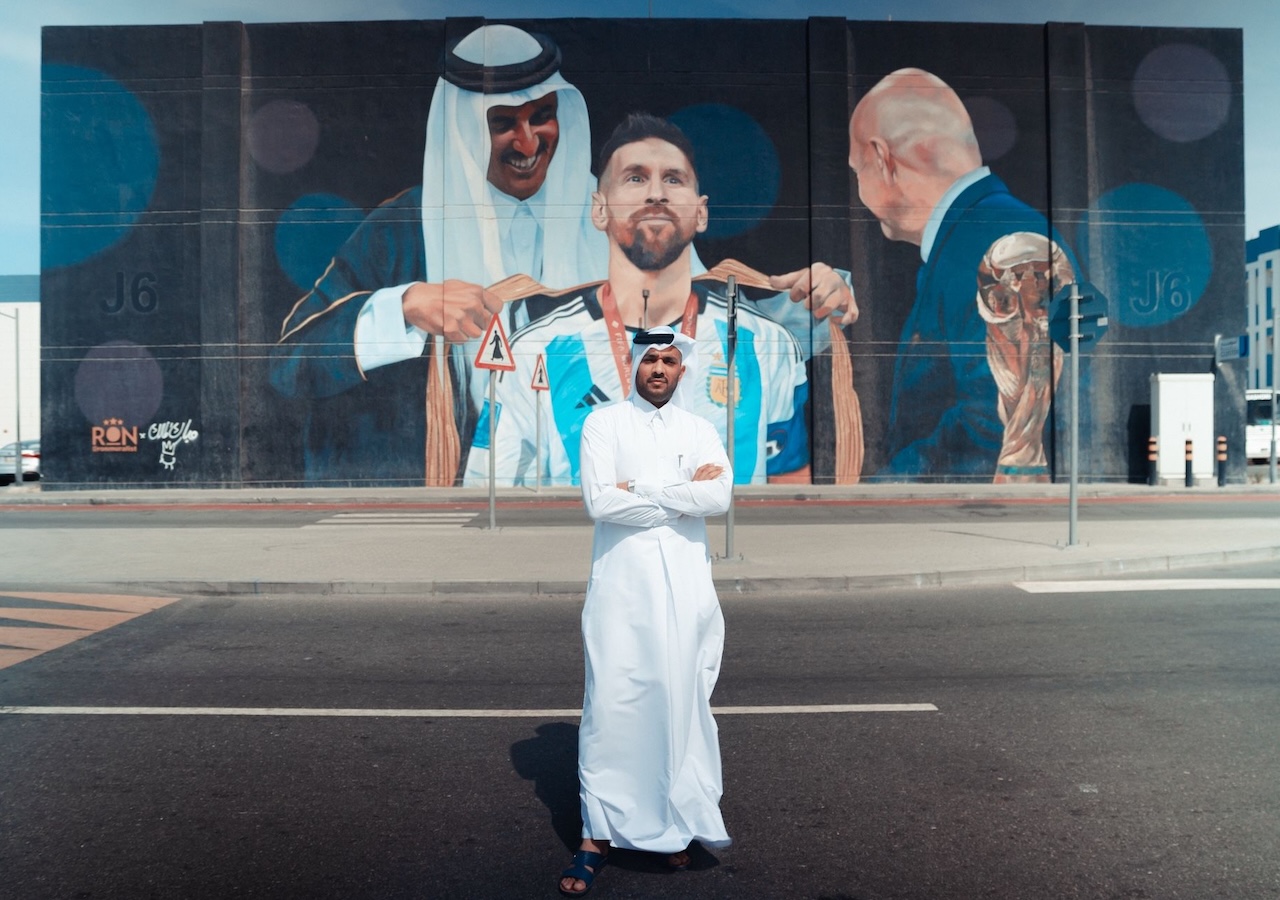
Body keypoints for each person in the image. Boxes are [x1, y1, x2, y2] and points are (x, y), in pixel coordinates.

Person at [269, 24, 608, 485]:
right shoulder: (403, 229)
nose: (528, 143)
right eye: (503, 124)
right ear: (465, 129)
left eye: (542, 116)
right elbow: (289, 363)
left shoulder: (611, 214)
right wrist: (404, 308)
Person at [462, 113, 854, 487]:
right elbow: (493, 495)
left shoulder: (765, 343)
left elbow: (790, 491)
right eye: (635, 178)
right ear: (599, 210)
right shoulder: (534, 350)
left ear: (700, 213)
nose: (656, 194)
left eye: (673, 179)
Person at [559, 325, 733, 896]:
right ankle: (596, 835)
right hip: (622, 590)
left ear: (682, 369)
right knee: (612, 705)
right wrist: (680, 493)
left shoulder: (699, 429)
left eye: (669, 360)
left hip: (685, 588)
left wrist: (640, 488)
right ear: (634, 364)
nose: (658, 368)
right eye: (650, 359)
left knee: (677, 703)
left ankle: (672, 827)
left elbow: (718, 496)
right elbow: (599, 501)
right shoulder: (603, 422)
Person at [847, 67, 1075, 480]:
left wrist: (887, 491)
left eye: (857, 170)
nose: (859, 188)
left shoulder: (999, 248)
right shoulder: (980, 236)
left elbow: (998, 419)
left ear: (882, 160)